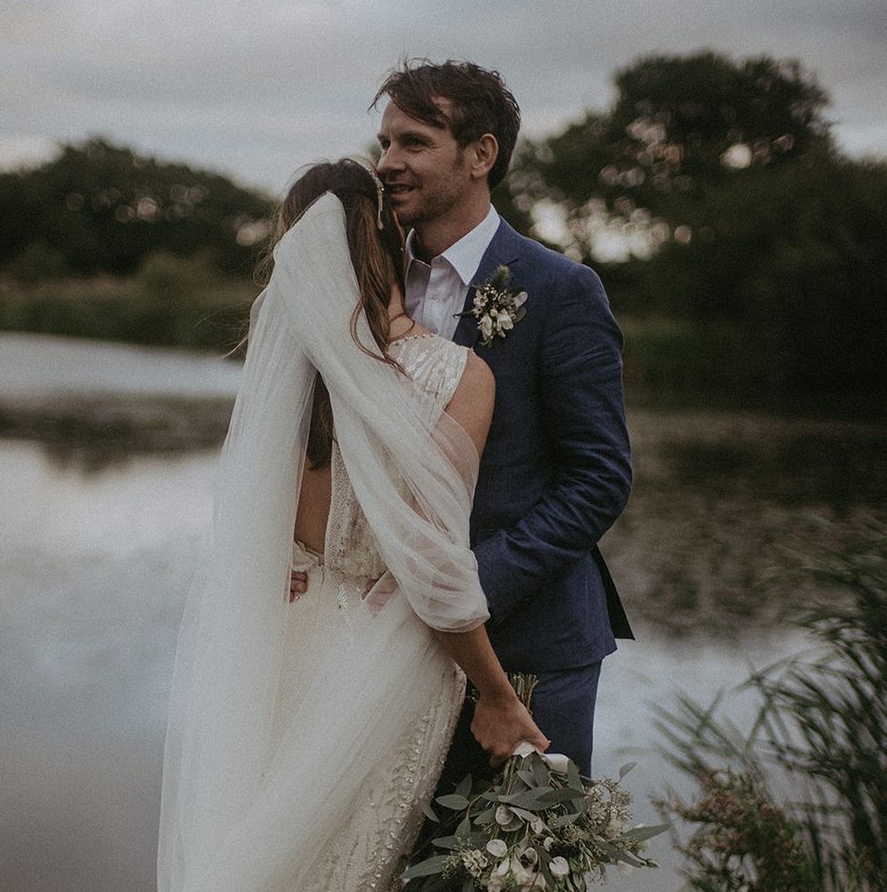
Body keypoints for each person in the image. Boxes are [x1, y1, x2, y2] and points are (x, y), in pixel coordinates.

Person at [158, 158, 546, 892]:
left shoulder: (286, 372)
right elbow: (433, 567)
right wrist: (497, 694)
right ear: (391, 236)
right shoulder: (455, 376)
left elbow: (255, 519)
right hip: (380, 657)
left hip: (278, 640)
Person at [371, 59, 634, 781]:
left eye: (414, 143)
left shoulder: (561, 291)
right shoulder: (368, 280)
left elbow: (599, 480)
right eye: (386, 142)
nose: (388, 162)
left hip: (529, 649)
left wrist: (455, 587)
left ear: (481, 154)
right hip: (378, 641)